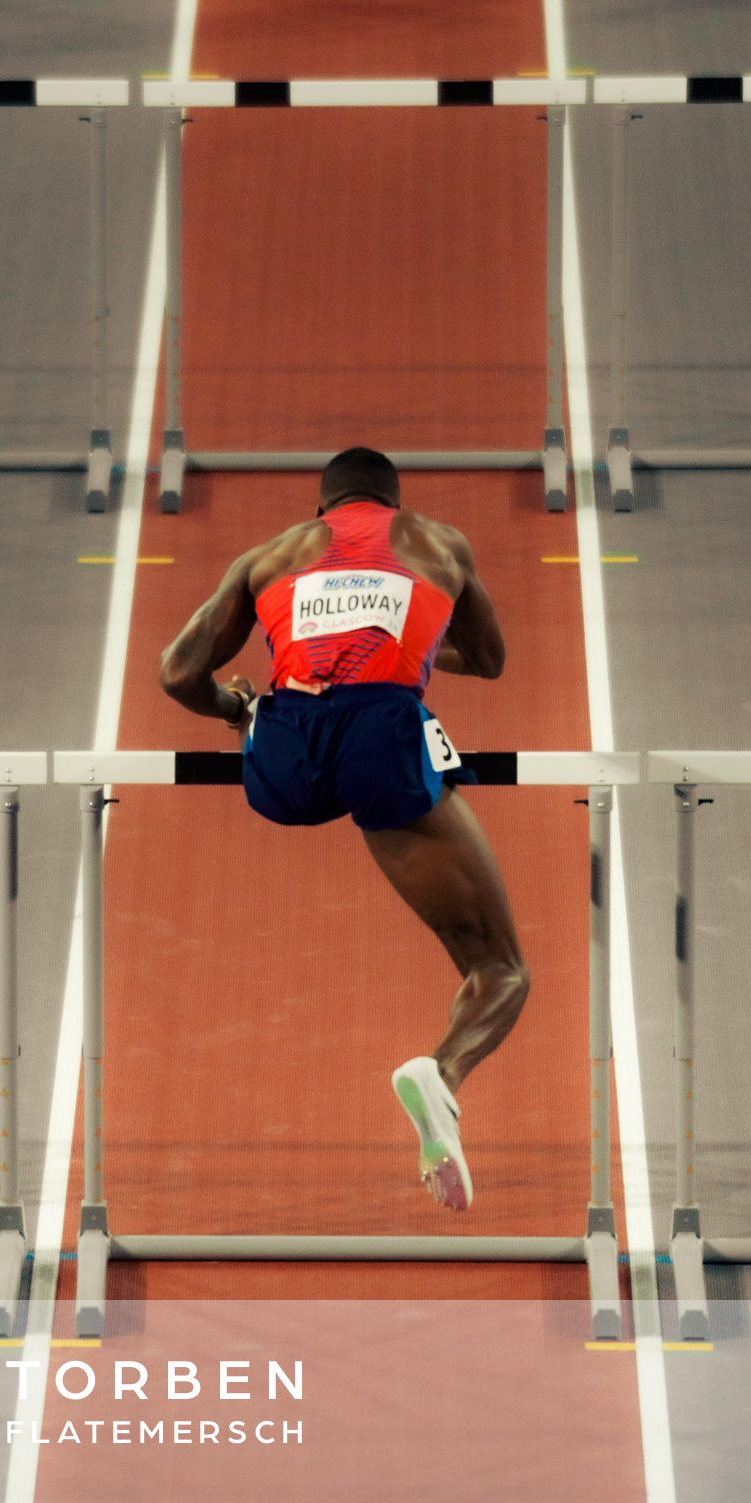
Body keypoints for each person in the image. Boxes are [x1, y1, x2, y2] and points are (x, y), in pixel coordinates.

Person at [157, 446, 528, 1210]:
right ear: (394, 501)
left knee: (282, 708)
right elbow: (490, 659)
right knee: (499, 969)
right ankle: (443, 1075)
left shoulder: (269, 557)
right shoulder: (435, 542)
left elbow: (176, 673)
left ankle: (272, 724)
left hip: (282, 756)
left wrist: (235, 710)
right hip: (378, 739)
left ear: (322, 507)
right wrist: (415, 644)